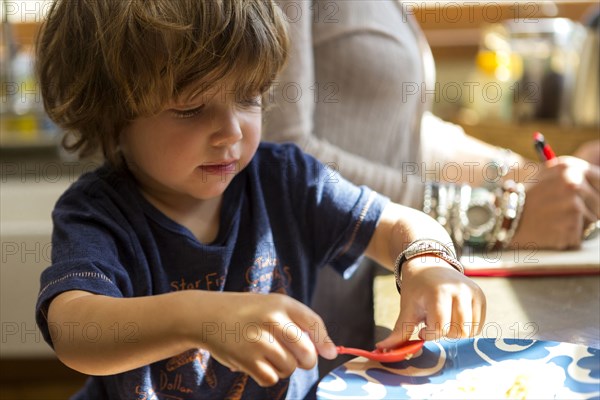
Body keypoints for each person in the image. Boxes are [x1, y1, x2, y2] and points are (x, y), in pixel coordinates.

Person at [34, 1, 485, 399]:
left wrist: (427, 261)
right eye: (191, 108)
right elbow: (74, 327)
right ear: (111, 112)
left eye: (249, 97)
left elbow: (398, 225)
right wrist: (200, 318)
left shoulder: (285, 178)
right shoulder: (95, 214)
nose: (231, 131)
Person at [263, 0, 600, 372]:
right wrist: (494, 215)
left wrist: (527, 176)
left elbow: (405, 132)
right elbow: (281, 147)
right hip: (300, 309)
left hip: (363, 296)